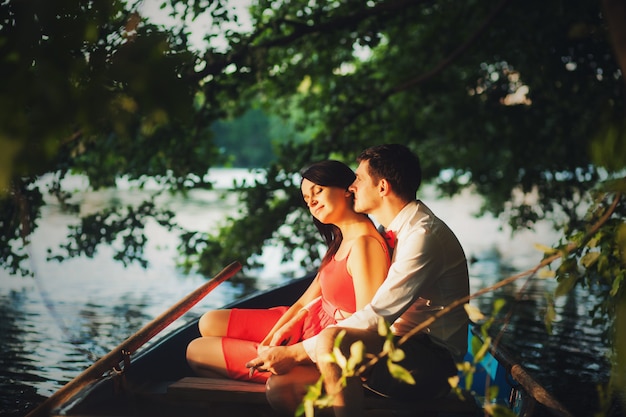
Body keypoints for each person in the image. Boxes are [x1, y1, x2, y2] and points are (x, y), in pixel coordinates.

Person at [261, 144, 470, 416]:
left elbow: (376, 316)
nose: (351, 187)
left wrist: (295, 353)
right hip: (389, 347)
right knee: (281, 389)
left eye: (358, 179)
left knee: (331, 339)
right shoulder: (388, 230)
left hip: (430, 363)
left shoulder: (423, 236)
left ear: (382, 187)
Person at [185, 160, 391, 384]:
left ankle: (283, 383)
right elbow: (304, 303)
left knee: (197, 351)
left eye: (318, 191)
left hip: (320, 343)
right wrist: (273, 338)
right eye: (306, 198)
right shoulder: (341, 241)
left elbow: (365, 326)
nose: (311, 201)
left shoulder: (365, 245)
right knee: (209, 322)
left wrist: (291, 353)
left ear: (346, 190)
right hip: (307, 321)